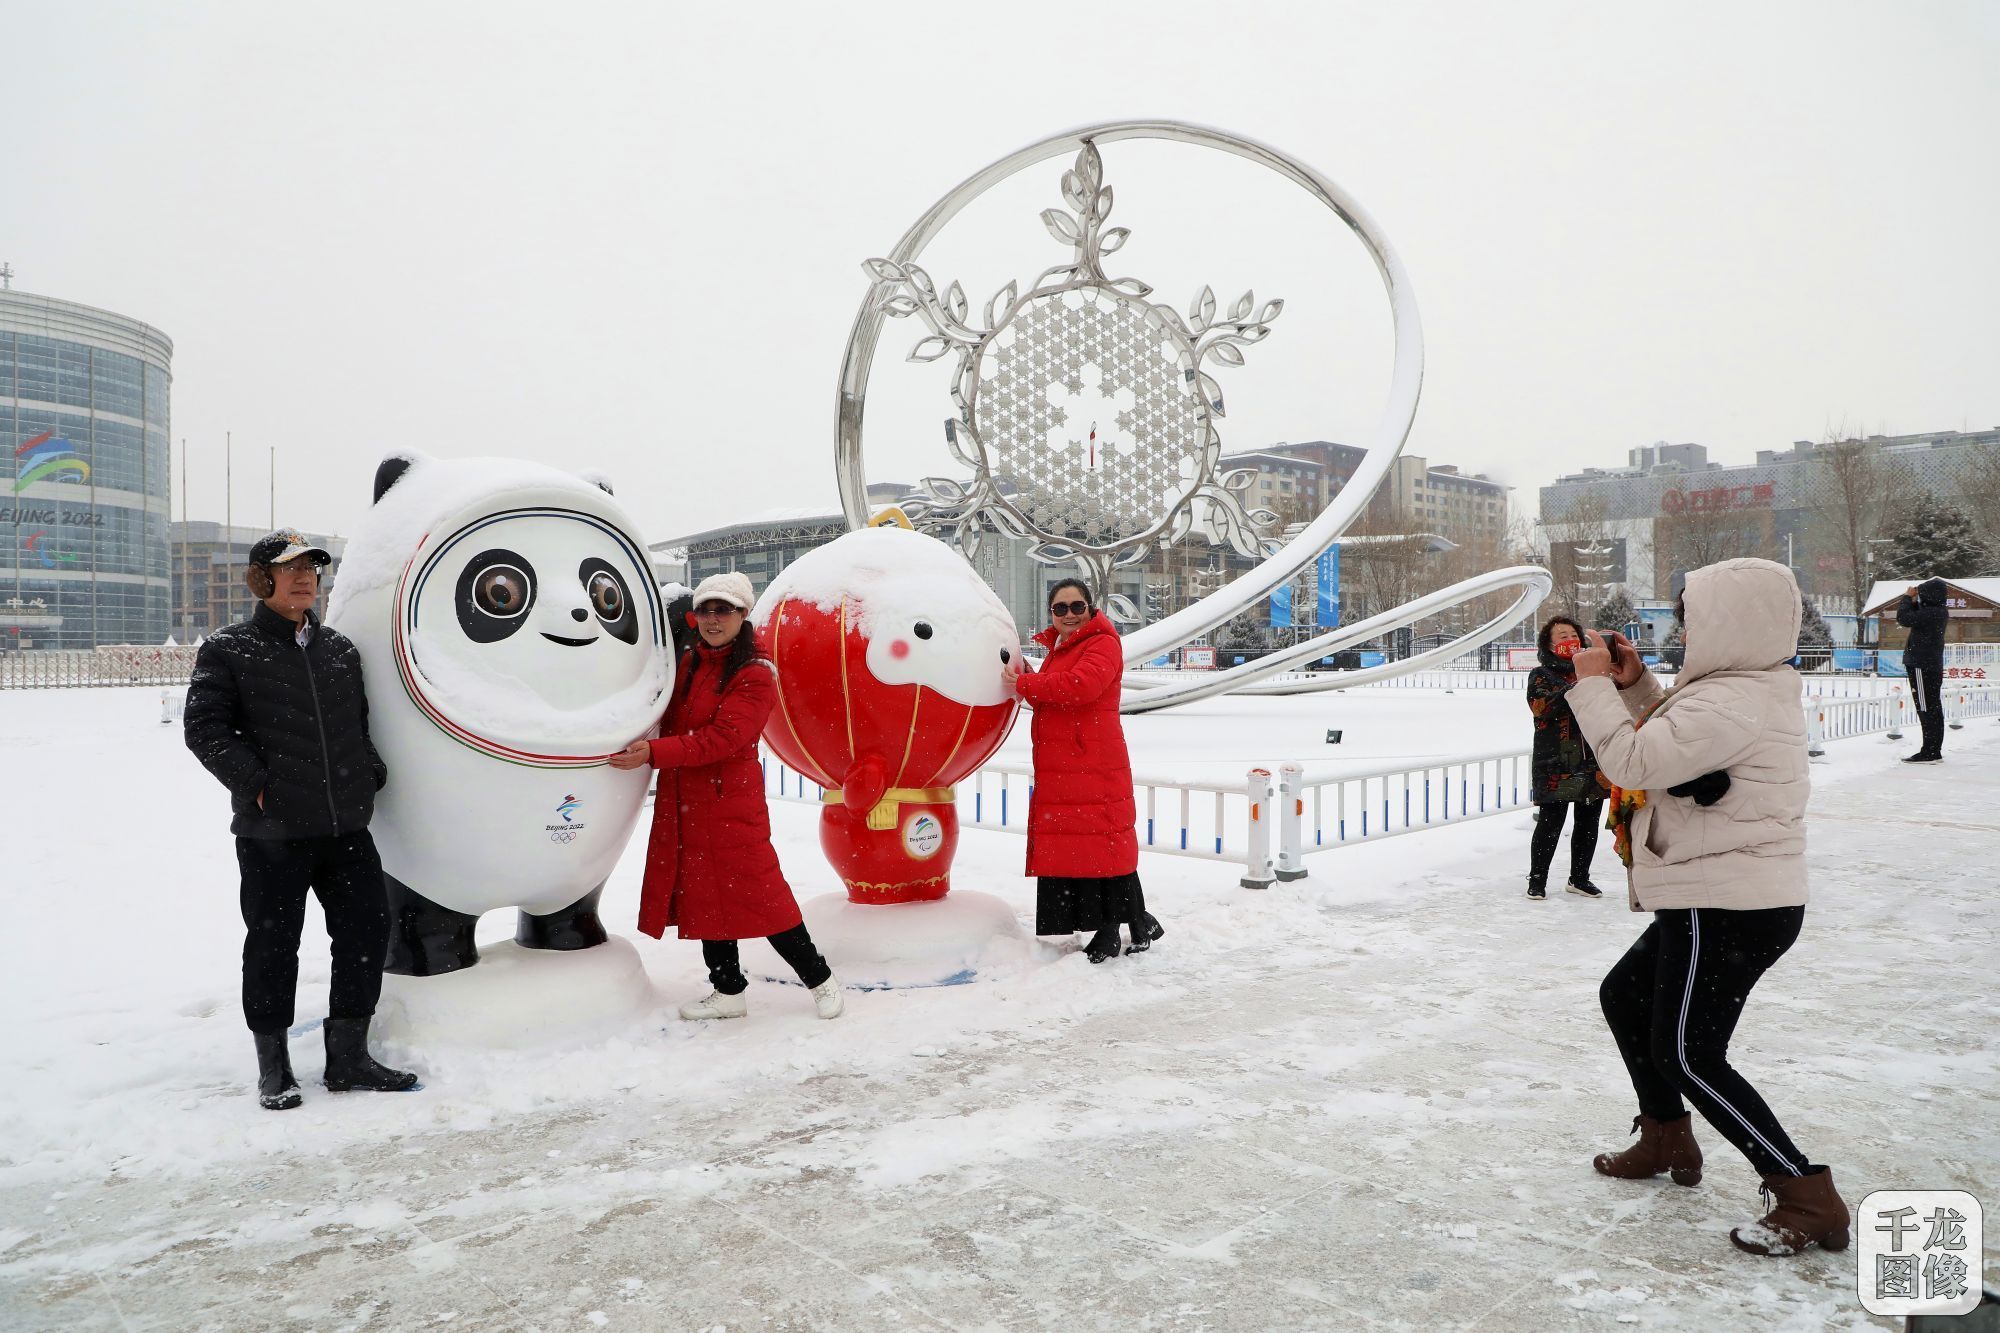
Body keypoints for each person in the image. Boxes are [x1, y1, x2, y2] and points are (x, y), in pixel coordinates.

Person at [1565, 558, 1848, 1258]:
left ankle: (1805, 1193)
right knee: (1625, 995)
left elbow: (1632, 764)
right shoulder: (1738, 689)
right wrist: (1637, 688)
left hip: (1724, 904)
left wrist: (1595, 684)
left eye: (1693, 617)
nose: (1683, 629)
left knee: (1689, 1051)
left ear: (1728, 623)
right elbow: (1676, 745)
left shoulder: (1730, 699)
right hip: (1730, 896)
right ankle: (1666, 1134)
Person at [184, 529, 419, 1110]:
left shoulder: (339, 650)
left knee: (366, 933)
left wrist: (368, 771)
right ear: (261, 580)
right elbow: (205, 728)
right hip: (273, 835)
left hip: (345, 829)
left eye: (312, 567)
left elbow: (359, 726)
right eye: (288, 568)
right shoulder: (229, 648)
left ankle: (349, 1058)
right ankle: (275, 1067)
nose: (304, 577)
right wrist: (259, 784)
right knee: (273, 946)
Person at [610, 571, 843, 1021]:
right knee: (703, 897)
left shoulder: (755, 671)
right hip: (687, 800)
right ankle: (728, 990)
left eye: (724, 610)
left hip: (730, 804)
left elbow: (725, 738)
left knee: (764, 897)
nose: (713, 619)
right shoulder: (690, 661)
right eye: (706, 610)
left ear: (743, 615)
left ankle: (820, 979)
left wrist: (654, 753)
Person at [1001, 579, 1163, 963]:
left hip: (1093, 763)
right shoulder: (1064, 646)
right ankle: (1137, 921)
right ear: (1051, 614)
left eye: (1077, 607)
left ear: (1091, 609)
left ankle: (1112, 929)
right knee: (1095, 844)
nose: (1069, 615)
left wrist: (1027, 682)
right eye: (1060, 608)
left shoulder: (1103, 643)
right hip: (1072, 765)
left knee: (1103, 843)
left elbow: (1081, 685)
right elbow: (1059, 685)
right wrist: (1029, 674)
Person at [1523, 615, 1605, 901]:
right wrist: (1577, 687)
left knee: (1588, 820)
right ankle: (1537, 880)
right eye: (1561, 636)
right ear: (1548, 643)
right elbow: (1541, 708)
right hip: (1555, 762)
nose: (1569, 640)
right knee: (1550, 821)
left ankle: (1580, 878)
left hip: (1592, 759)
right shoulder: (1541, 675)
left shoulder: (1596, 674)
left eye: (1573, 635)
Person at [1895, 578, 1950, 763]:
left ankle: (1930, 752)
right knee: (1933, 708)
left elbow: (1903, 618)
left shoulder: (1931, 613)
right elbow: (1914, 615)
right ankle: (1933, 750)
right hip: (1930, 665)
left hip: (1921, 665)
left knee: (1926, 709)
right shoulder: (1939, 611)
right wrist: (1912, 601)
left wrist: (1906, 598)